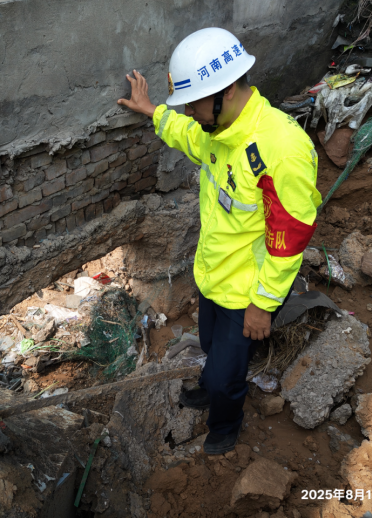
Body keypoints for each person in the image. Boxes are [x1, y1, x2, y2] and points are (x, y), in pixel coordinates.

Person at [118, 28, 321, 454]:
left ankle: (226, 427)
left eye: (193, 103)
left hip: (248, 292)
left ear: (226, 91)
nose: (189, 112)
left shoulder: (280, 149)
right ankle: (212, 387)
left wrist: (262, 305)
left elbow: (289, 241)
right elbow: (188, 135)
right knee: (211, 348)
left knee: (227, 375)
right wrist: (153, 110)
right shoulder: (219, 132)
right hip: (215, 277)